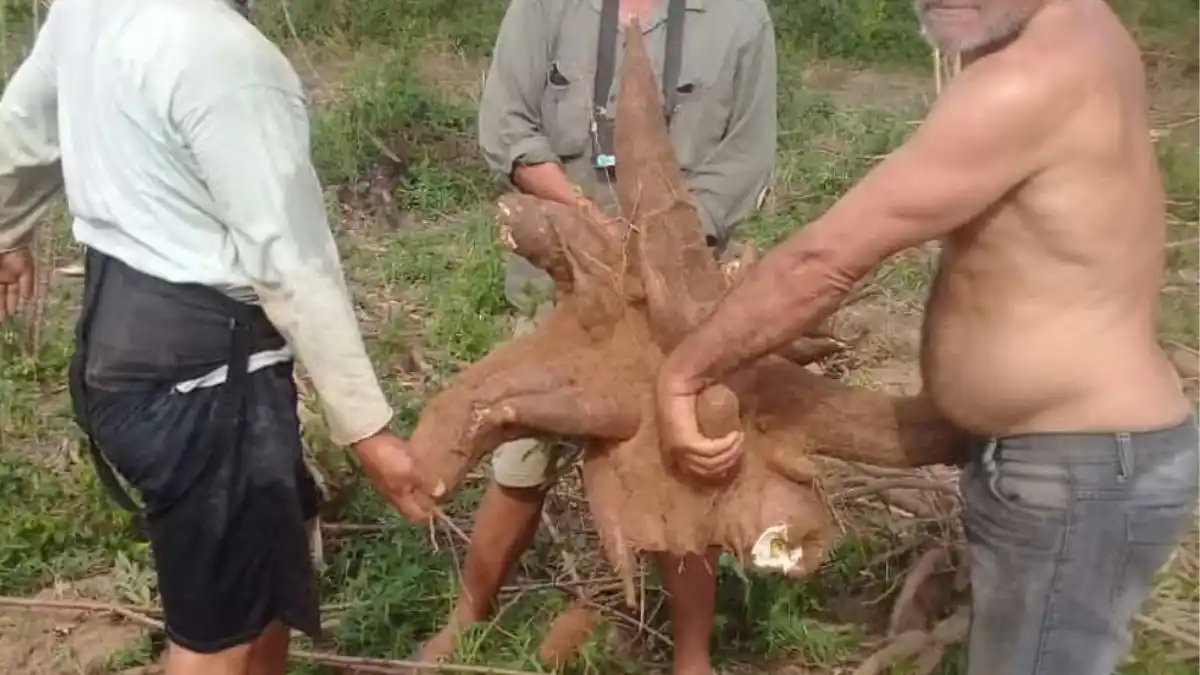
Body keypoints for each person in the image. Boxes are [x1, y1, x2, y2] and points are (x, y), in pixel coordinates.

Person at [654, 1, 1200, 674]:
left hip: (1077, 474)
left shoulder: (1028, 79)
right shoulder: (1086, 26)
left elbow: (822, 263)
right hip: (1071, 461)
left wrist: (683, 373)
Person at [0, 1, 444, 674]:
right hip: (204, 384)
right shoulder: (228, 60)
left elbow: (23, 130)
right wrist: (367, 428)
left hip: (120, 357)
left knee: (262, 573)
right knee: (215, 637)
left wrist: (5, 228)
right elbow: (291, 261)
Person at [415, 0, 776, 672]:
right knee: (521, 464)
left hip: (681, 297)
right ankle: (467, 615)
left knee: (685, 465)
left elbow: (747, 155)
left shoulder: (740, 17)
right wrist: (585, 220)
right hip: (566, 287)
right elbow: (508, 126)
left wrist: (665, 250)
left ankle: (690, 655)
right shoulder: (545, 7)